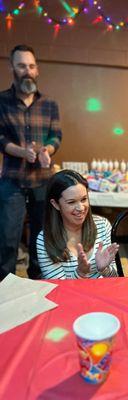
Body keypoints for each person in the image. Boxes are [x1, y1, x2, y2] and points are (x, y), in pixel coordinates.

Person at [0, 44, 62, 280]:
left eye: (31, 66)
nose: (27, 70)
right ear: (12, 68)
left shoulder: (50, 104)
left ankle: (39, 285)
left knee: (42, 239)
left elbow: (57, 136)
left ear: (37, 70)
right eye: (22, 65)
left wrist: (48, 148)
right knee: (6, 239)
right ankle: (4, 291)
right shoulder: (2, 101)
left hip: (42, 182)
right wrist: (19, 151)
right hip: (11, 181)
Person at [36, 169, 119, 279]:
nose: (80, 208)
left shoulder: (102, 226)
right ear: (55, 204)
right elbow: (59, 291)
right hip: (69, 296)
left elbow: (115, 279)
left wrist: (104, 269)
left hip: (101, 294)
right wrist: (80, 273)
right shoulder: (45, 240)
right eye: (71, 202)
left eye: (84, 199)